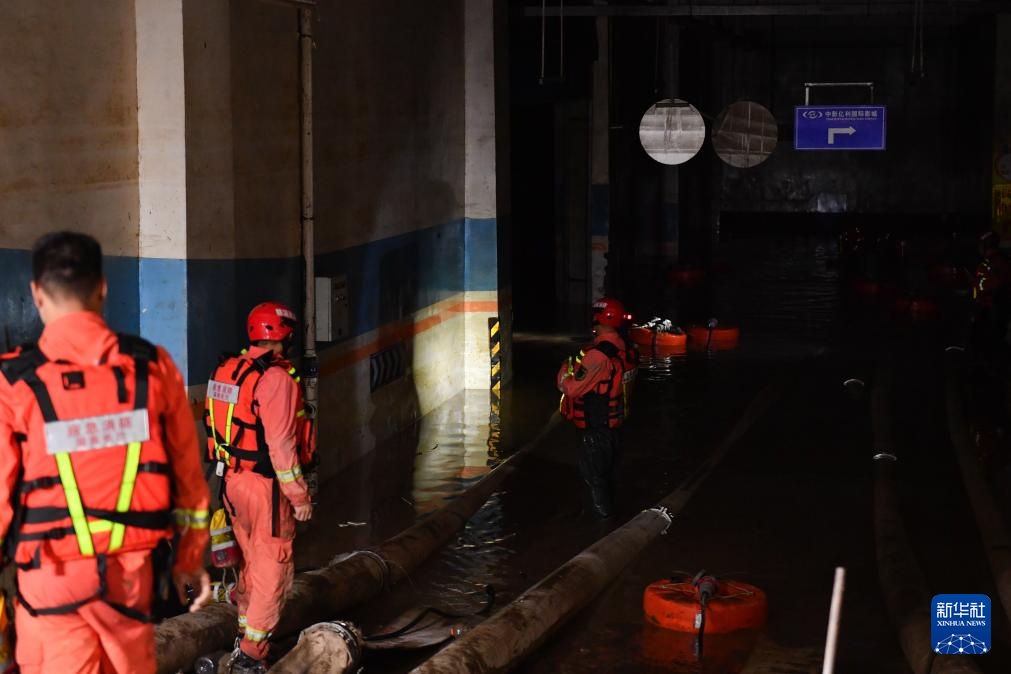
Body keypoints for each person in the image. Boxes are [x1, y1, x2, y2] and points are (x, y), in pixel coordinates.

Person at [0, 231, 211, 674]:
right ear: (103, 287)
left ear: (37, 294)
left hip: (50, 578)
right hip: (130, 580)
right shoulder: (151, 367)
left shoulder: (14, 383)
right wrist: (189, 559)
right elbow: (189, 476)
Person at [205, 302, 315, 673]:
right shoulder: (276, 380)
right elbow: (282, 447)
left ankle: (243, 634)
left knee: (251, 560)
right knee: (274, 567)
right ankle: (252, 655)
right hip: (264, 486)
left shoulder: (227, 370)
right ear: (282, 334)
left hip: (231, 483)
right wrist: (299, 496)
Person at [557, 297, 634, 518]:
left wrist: (565, 371)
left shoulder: (598, 356)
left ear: (598, 318)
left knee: (594, 483)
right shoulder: (625, 348)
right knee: (608, 478)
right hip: (614, 427)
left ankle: (600, 532)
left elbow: (571, 389)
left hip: (595, 431)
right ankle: (610, 521)